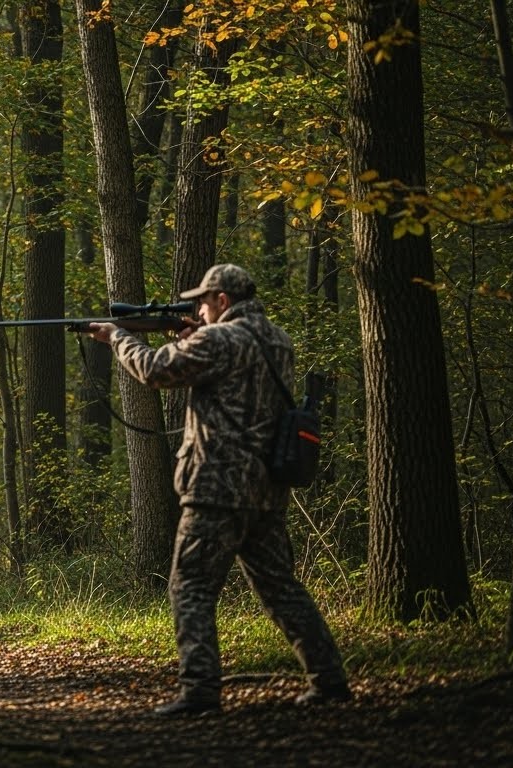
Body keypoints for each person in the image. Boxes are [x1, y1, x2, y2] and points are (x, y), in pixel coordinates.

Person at [84, 263, 350, 716]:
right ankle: (329, 680)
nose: (199, 310)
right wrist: (186, 337)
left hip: (216, 486)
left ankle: (200, 691)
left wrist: (117, 337)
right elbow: (229, 378)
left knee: (190, 587)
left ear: (223, 301)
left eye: (204, 302)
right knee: (281, 589)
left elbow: (154, 371)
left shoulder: (221, 339)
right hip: (265, 488)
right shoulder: (276, 340)